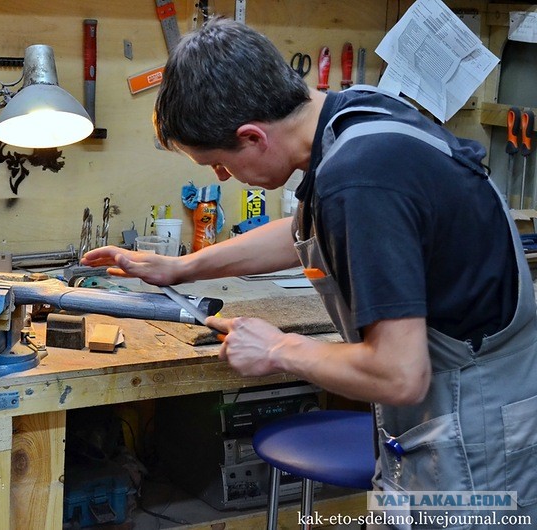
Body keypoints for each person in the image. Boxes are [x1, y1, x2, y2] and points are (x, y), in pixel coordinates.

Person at [82, 16, 537, 528]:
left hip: (475, 435)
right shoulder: (354, 116)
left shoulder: (359, 178)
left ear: (252, 136)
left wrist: (279, 349)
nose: (222, 176)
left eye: (219, 163)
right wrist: (181, 267)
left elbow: (400, 374)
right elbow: (307, 229)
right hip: (456, 412)